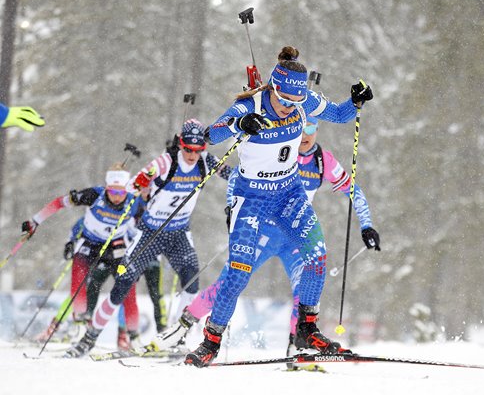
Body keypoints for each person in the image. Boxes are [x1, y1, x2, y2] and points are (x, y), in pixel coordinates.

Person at [181, 45, 373, 367]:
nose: (289, 108)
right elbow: (209, 135)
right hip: (252, 199)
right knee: (238, 274)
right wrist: (239, 126)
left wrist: (355, 102)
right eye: (284, 101)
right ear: (273, 88)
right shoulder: (250, 105)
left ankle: (306, 330)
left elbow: (339, 114)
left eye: (295, 102)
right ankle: (210, 341)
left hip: (289, 194)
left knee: (317, 256)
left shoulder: (303, 101)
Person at [147, 115, 380, 371]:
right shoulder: (279, 149)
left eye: (311, 129)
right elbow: (239, 175)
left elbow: (353, 190)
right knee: (229, 283)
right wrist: (232, 207)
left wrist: (366, 224)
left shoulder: (323, 161)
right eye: (301, 129)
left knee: (305, 287)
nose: (305, 135)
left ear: (317, 130)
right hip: (262, 234)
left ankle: (298, 348)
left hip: (291, 240)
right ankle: (183, 327)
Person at [65, 120, 233, 357]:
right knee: (123, 283)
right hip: (150, 233)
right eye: (188, 149)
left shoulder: (207, 162)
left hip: (178, 233)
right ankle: (89, 338)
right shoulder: (165, 162)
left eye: (198, 149)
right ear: (180, 145)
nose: (193, 155)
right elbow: (135, 184)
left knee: (191, 277)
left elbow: (234, 176)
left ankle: (176, 337)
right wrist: (140, 185)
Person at [23, 164, 145, 345]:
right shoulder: (94, 195)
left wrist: (141, 255)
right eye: (113, 192)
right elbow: (59, 203)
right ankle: (80, 324)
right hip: (90, 244)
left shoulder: (134, 203)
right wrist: (35, 221)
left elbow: (145, 227)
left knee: (128, 287)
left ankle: (133, 338)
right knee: (78, 283)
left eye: (121, 193)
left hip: (116, 247)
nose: (117, 197)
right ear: (106, 187)